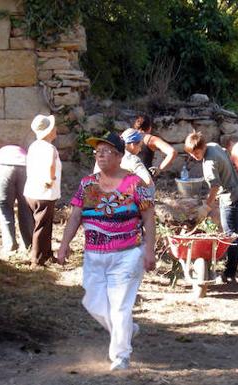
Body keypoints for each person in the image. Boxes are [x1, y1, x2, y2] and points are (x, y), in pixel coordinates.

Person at [57, 131, 156, 371]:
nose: (100, 155)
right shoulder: (87, 183)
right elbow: (75, 217)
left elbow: (149, 217)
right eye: (97, 151)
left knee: (120, 305)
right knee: (93, 303)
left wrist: (149, 249)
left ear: (120, 156)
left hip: (128, 254)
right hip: (93, 254)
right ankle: (127, 330)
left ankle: (121, 356)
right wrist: (63, 244)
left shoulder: (135, 183)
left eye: (106, 151)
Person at [184, 131, 238, 281]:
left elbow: (214, 187)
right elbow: (225, 152)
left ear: (202, 146)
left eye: (196, 153)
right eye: (191, 154)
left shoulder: (209, 163)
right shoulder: (213, 146)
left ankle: (229, 273)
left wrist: (206, 207)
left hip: (230, 198)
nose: (194, 156)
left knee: (229, 237)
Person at [23, 114, 61, 267]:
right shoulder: (49, 147)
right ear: (50, 131)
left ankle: (46, 253)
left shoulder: (34, 146)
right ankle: (37, 259)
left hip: (32, 191)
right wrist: (50, 179)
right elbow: (51, 165)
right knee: (42, 226)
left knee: (43, 224)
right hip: (44, 192)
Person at [0, 145, 34, 256]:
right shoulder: (23, 152)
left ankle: (10, 246)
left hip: (2, 167)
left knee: (4, 208)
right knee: (25, 208)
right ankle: (28, 244)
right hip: (24, 166)